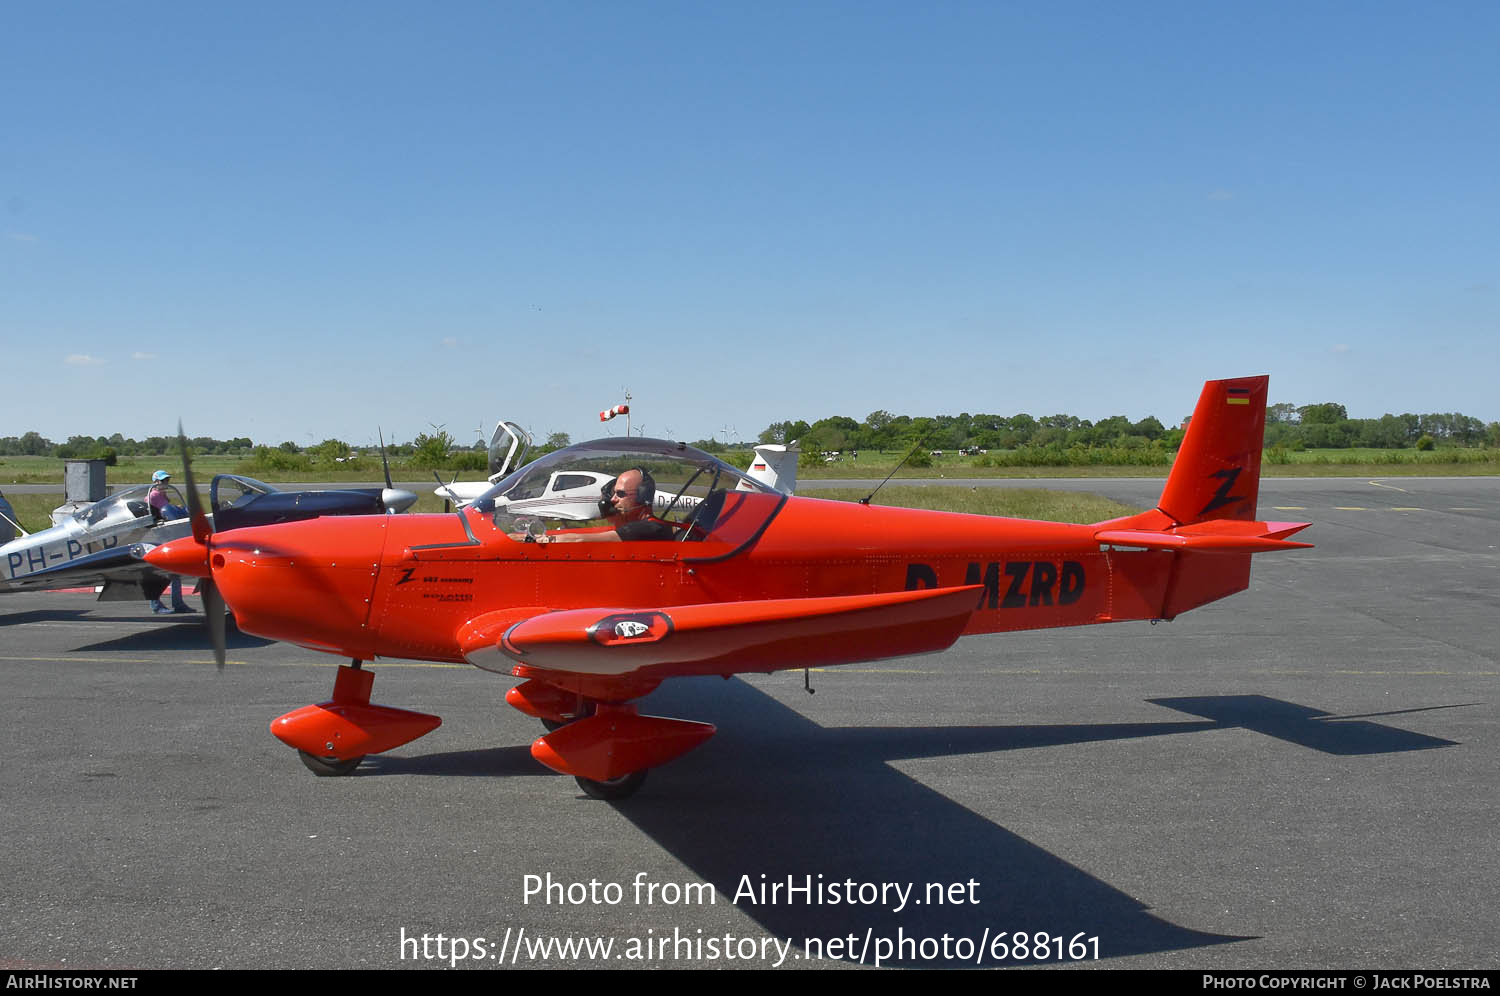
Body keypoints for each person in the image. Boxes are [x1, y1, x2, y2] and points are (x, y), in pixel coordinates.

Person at [538, 468, 675, 544]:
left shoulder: (647, 528)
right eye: (614, 493)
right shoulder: (641, 528)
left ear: (642, 496)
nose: (613, 499)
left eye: (620, 494)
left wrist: (541, 540)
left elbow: (579, 539)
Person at [146, 470, 193, 614]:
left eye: (166, 480)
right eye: (162, 481)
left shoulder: (161, 495)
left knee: (175, 571)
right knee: (158, 572)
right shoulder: (154, 496)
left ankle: (178, 603)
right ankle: (156, 605)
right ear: (155, 482)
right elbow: (162, 512)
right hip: (157, 534)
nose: (165, 483)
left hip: (167, 533)